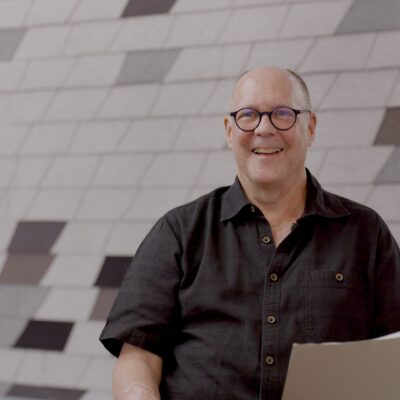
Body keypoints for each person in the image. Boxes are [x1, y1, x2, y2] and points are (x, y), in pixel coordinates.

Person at [100, 66, 400, 400]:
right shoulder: (179, 232)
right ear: (229, 130)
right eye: (248, 115)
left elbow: (393, 357)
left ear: (310, 127)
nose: (264, 128)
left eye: (283, 114)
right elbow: (137, 358)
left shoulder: (365, 234)